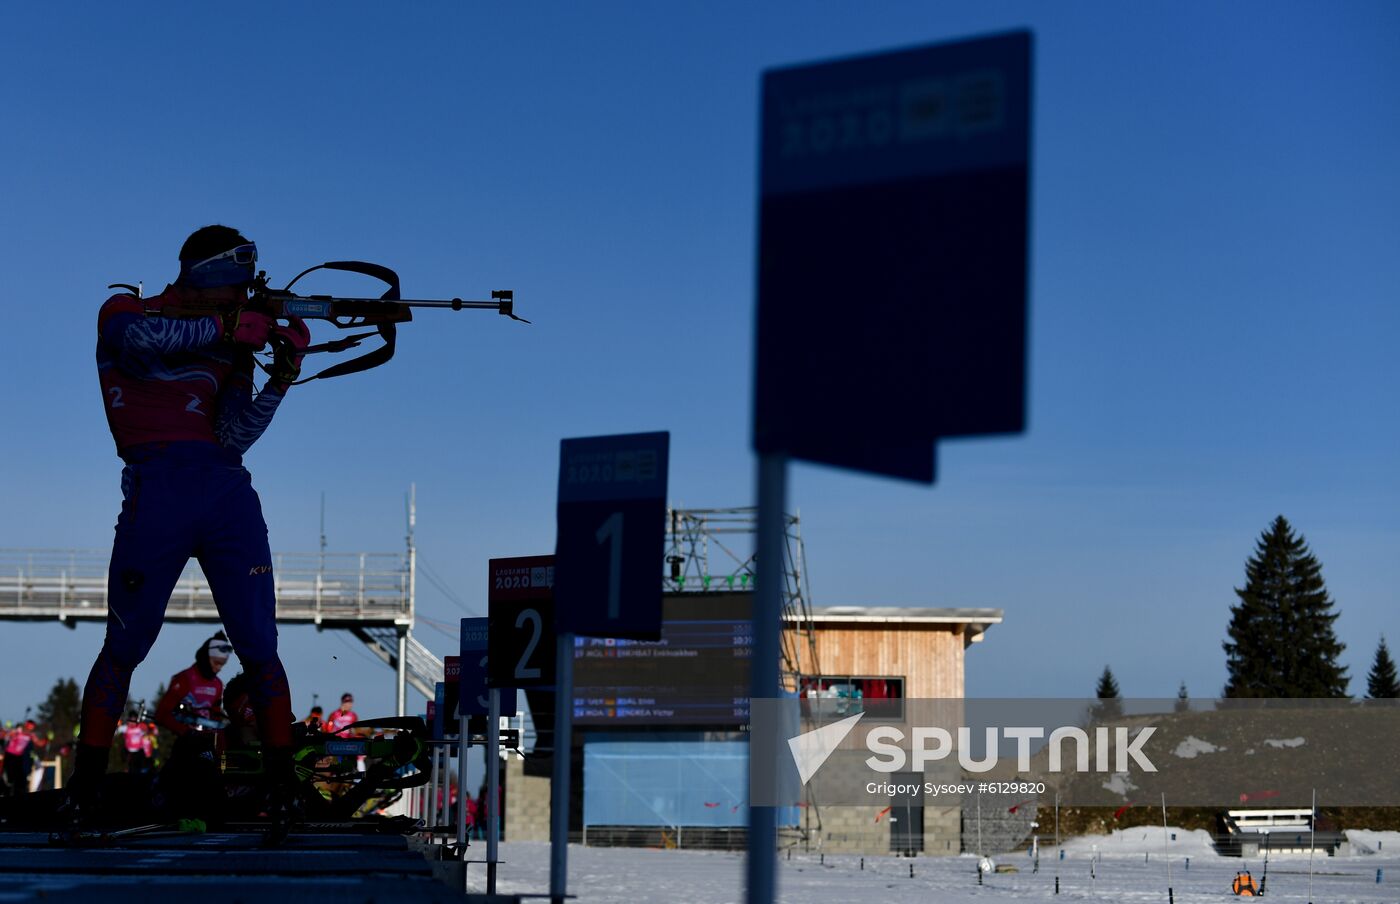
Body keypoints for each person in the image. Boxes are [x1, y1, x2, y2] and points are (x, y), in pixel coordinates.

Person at [67, 225, 311, 823]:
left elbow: (233, 435)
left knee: (260, 648)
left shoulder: (233, 344)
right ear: (209, 274)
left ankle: (281, 790)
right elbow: (134, 340)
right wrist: (228, 329)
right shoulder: (128, 308)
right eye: (233, 287)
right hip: (158, 488)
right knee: (124, 646)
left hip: (226, 491)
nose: (240, 299)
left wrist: (281, 377)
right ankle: (86, 791)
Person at [155, 632, 231, 736]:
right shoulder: (185, 679)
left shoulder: (217, 684)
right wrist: (184, 730)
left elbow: (215, 715)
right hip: (185, 740)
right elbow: (162, 714)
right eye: (216, 663)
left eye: (222, 665)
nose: (219, 669)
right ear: (206, 657)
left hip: (206, 741)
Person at [3, 720, 38, 796]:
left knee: (19, 780)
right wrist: (12, 733)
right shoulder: (17, 732)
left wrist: (46, 739)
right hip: (10, 756)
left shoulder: (31, 736)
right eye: (29, 727)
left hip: (19, 759)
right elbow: (6, 735)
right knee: (9, 778)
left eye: (32, 728)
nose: (30, 730)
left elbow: (38, 743)